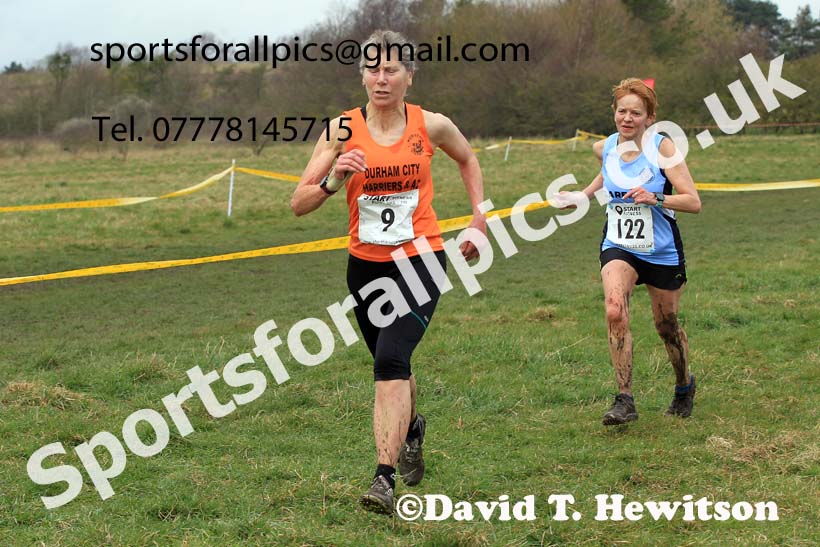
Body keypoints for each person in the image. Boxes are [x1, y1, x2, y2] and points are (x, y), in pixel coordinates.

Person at [290, 29, 486, 514]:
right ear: (362, 77)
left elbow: (468, 158)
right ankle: (413, 429)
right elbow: (299, 202)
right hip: (365, 268)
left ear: (409, 77)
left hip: (420, 260)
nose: (382, 78)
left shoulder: (431, 125)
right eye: (373, 69)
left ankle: (383, 478)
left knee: (388, 363)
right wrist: (335, 180)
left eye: (391, 69)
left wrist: (481, 218)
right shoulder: (341, 130)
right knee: (393, 362)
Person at [576, 78, 702, 425]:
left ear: (650, 117)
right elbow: (607, 173)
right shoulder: (605, 147)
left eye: (636, 112)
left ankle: (683, 386)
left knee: (667, 327)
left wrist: (655, 197)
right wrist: (584, 194)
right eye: (621, 111)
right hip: (619, 245)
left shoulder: (663, 150)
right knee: (615, 311)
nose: (627, 118)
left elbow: (693, 202)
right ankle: (624, 399)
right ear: (614, 113)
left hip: (660, 250)